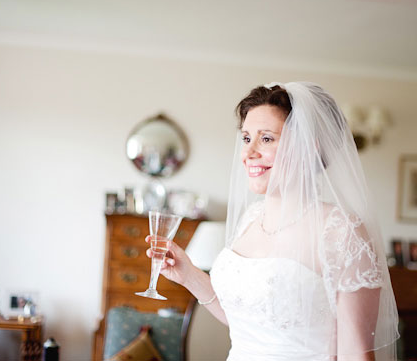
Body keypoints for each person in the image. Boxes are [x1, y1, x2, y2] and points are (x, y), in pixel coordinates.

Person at [147, 82, 400, 360]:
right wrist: (189, 275)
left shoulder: (341, 231)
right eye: (246, 138)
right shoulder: (250, 219)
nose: (249, 153)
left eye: (266, 138)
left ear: (308, 148)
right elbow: (249, 321)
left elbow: (356, 353)